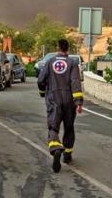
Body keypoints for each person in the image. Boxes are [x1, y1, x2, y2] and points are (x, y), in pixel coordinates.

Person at [37, 39, 83, 173]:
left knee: (53, 126)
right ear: (67, 49)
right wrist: (78, 102)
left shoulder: (50, 62)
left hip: (53, 99)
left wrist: (42, 93)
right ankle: (67, 155)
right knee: (69, 127)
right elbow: (75, 82)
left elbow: (41, 80)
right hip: (69, 100)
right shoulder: (73, 63)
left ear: (57, 48)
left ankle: (55, 148)